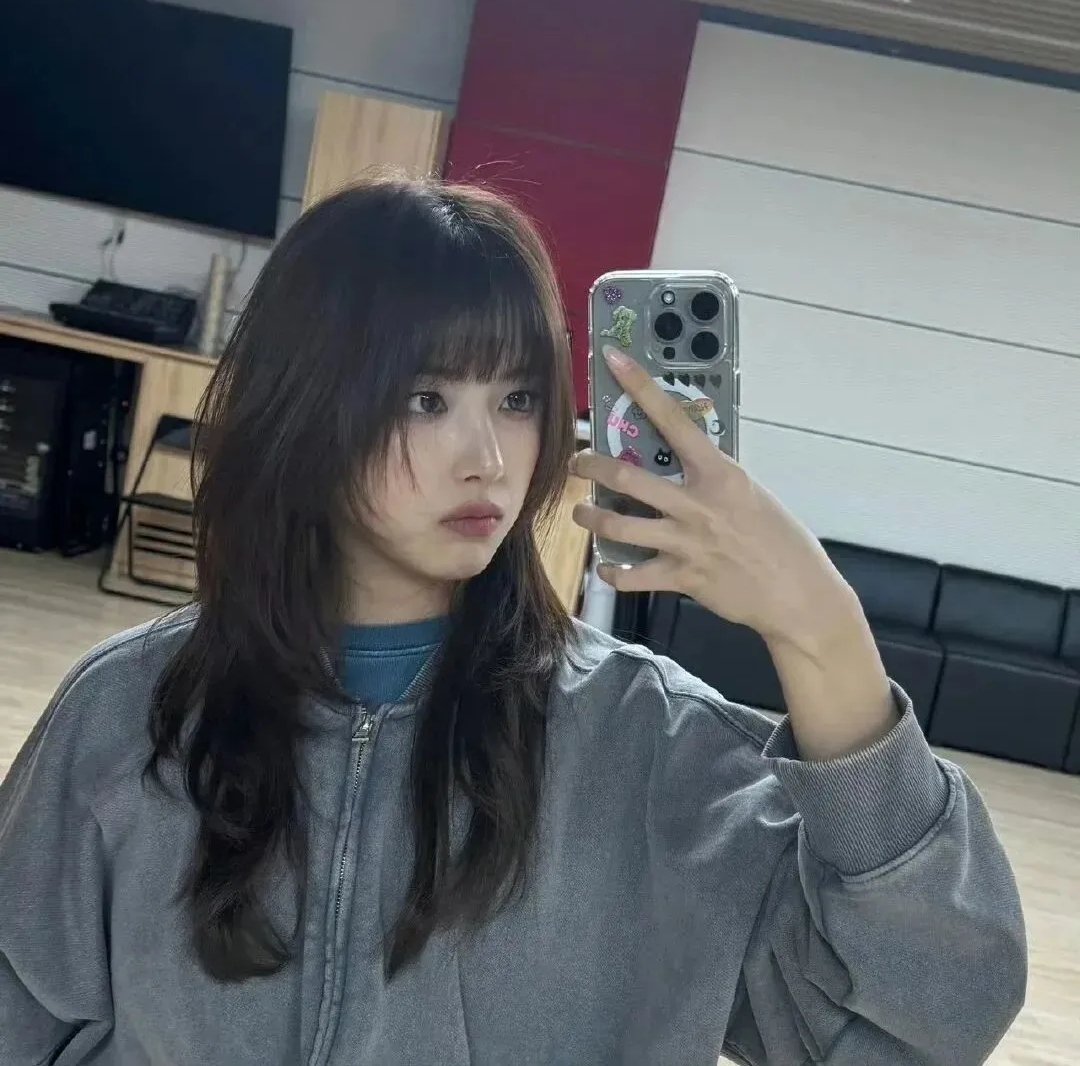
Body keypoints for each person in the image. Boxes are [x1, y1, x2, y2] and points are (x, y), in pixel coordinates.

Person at [0, 177, 1025, 1066]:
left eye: (519, 398)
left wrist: (824, 634)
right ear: (306, 402)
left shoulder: (647, 745)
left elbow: (926, 1016)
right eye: (425, 399)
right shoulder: (130, 712)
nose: (487, 458)